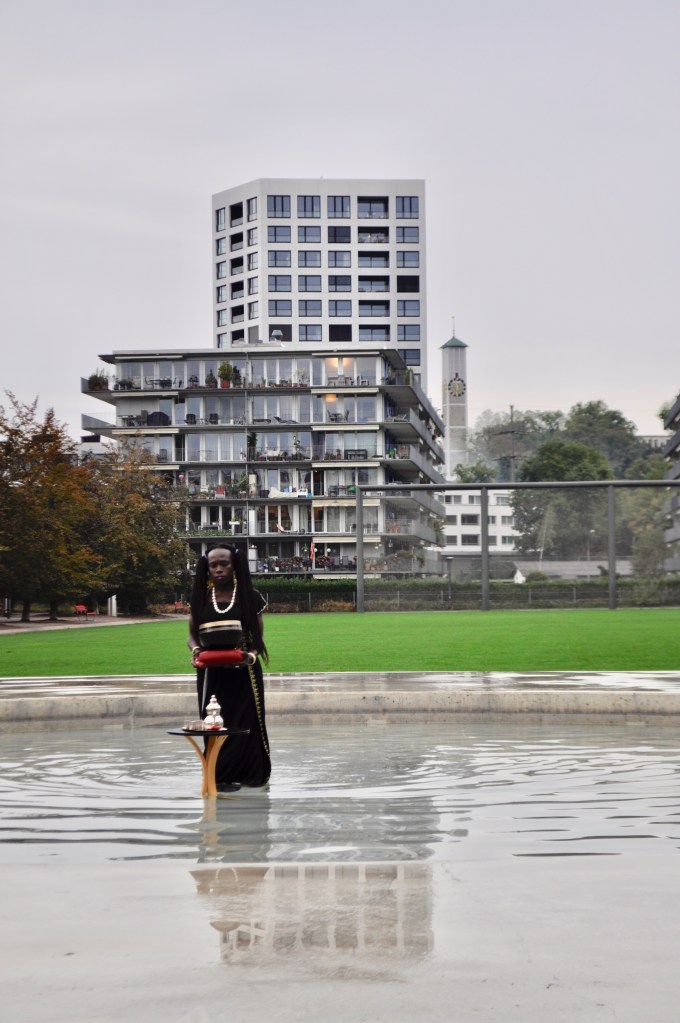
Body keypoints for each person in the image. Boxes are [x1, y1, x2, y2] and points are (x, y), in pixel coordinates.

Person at [188, 544, 271, 791]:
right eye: (213, 565)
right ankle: (220, 775)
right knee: (214, 721)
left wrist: (250, 657)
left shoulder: (250, 597)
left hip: (244, 671)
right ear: (207, 569)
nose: (219, 569)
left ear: (235, 566)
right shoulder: (200, 598)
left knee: (247, 722)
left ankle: (251, 774)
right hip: (211, 673)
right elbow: (192, 637)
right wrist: (196, 651)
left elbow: (258, 639)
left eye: (224, 564)